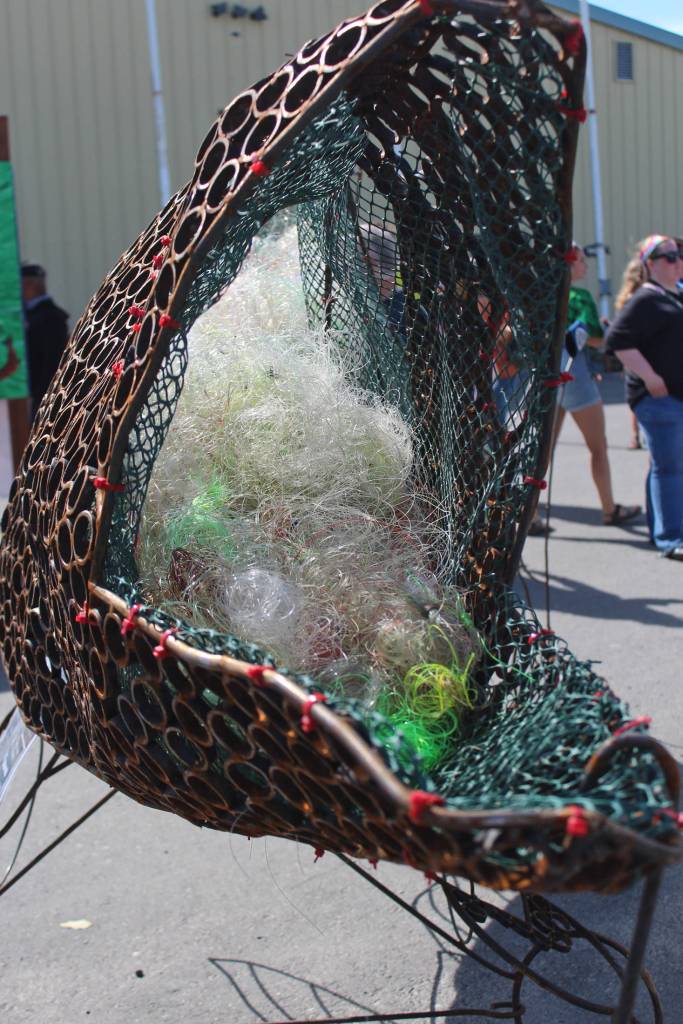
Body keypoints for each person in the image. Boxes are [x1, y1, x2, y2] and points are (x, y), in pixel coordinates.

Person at [606, 234, 683, 560]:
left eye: (678, 254)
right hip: (658, 399)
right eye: (668, 256)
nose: (677, 260)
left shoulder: (673, 295)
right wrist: (650, 377)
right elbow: (616, 339)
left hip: (672, 398)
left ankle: (663, 533)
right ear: (650, 264)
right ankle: (670, 538)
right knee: (670, 468)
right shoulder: (647, 298)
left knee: (663, 466)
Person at [552, 243, 640, 526]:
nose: (585, 267)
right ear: (569, 264)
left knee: (543, 451)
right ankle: (608, 508)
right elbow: (597, 337)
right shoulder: (578, 296)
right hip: (574, 376)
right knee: (598, 447)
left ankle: (530, 517)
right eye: (581, 262)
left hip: (546, 379)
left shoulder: (541, 296)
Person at [21, 262, 69, 417]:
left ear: (28, 284)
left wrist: (41, 398)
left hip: (44, 398)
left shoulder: (48, 317)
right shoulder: (37, 316)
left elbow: (50, 363)